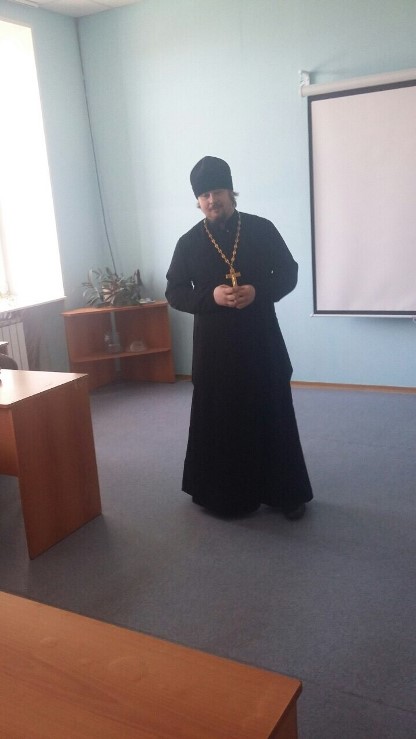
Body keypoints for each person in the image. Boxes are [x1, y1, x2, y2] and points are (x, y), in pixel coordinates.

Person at [166, 156, 313, 519]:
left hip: (260, 341)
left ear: (231, 191)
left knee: (272, 412)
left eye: (217, 191)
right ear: (197, 200)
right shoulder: (188, 243)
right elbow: (175, 292)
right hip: (215, 351)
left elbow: (289, 272)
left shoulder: (261, 229)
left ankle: (284, 493)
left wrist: (258, 291)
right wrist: (211, 297)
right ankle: (225, 496)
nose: (211, 200)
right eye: (204, 195)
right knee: (222, 419)